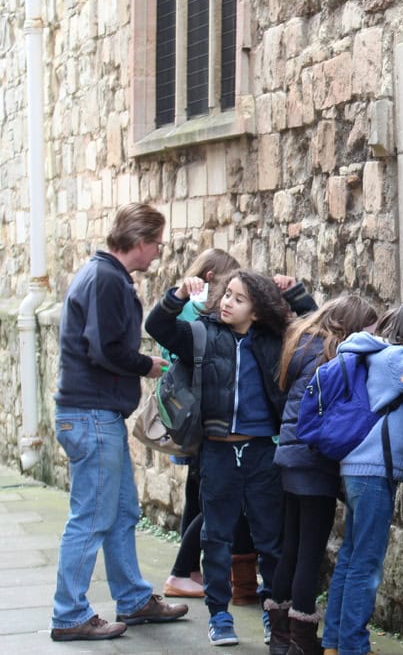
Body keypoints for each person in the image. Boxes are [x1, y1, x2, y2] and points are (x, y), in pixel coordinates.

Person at [146, 269, 317, 647]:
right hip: (218, 450)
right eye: (226, 295)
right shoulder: (203, 335)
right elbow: (158, 325)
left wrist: (297, 294)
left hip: (261, 452)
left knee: (271, 540)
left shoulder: (276, 340)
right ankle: (219, 615)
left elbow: (317, 331)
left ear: (256, 312)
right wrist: (177, 295)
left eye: (238, 299)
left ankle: (274, 612)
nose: (226, 303)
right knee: (217, 537)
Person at [50, 202, 189, 641]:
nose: (158, 254)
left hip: (94, 415)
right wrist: (146, 364)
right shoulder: (107, 279)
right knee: (91, 516)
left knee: (123, 511)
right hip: (89, 415)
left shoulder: (104, 275)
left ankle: (133, 598)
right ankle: (69, 614)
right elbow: (105, 349)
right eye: (157, 245)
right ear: (141, 241)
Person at [267, 295, 379, 655]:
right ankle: (301, 640)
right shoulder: (331, 358)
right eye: (368, 331)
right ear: (351, 327)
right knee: (310, 553)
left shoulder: (300, 345)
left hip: (290, 457)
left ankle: (280, 638)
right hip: (316, 463)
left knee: (291, 548)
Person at [322, 304, 403, 655]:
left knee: (352, 556)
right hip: (372, 472)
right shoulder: (398, 358)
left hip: (359, 469)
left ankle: (334, 643)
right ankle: (353, 646)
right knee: (366, 563)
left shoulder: (379, 356)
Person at [161, 248, 242, 600]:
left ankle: (189, 569)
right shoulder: (201, 312)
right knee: (206, 499)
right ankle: (182, 571)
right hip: (203, 416)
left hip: (188, 415)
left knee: (195, 496)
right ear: (212, 278)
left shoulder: (188, 308)